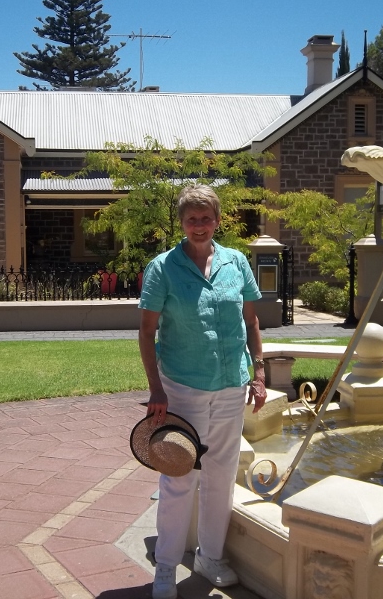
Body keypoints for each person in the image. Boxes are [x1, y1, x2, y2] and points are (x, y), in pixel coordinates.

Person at [138, 183, 267, 599]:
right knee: (179, 475)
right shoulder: (163, 268)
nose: (199, 226)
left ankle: (210, 556)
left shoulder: (236, 262)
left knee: (222, 475)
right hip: (184, 385)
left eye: (206, 218)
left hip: (231, 383)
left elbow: (251, 322)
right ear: (181, 222)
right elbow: (146, 330)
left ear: (217, 219)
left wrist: (259, 373)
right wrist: (156, 388)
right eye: (191, 219)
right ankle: (165, 567)